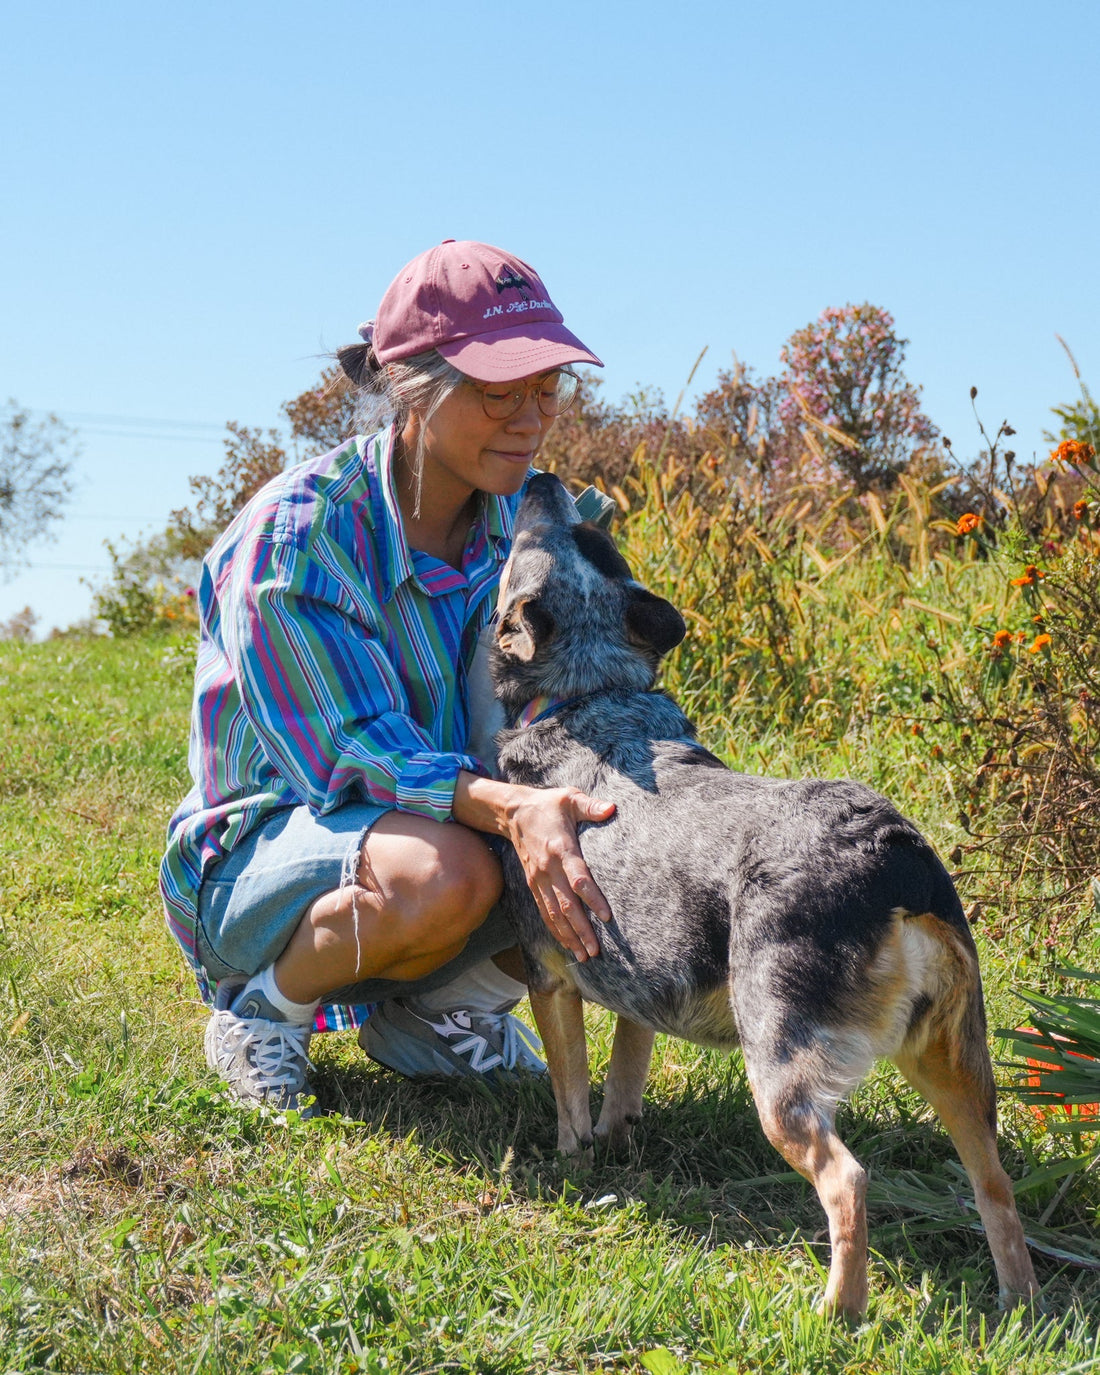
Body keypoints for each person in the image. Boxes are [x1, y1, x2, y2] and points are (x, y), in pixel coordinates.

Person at [159, 239, 619, 1113]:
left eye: (546, 389)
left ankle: (443, 1010)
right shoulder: (300, 537)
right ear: (414, 387)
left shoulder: (526, 527)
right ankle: (266, 1009)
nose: (529, 417)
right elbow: (355, 755)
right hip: (271, 849)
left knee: (595, 835)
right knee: (448, 872)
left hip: (436, 822)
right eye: (497, 391)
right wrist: (513, 809)